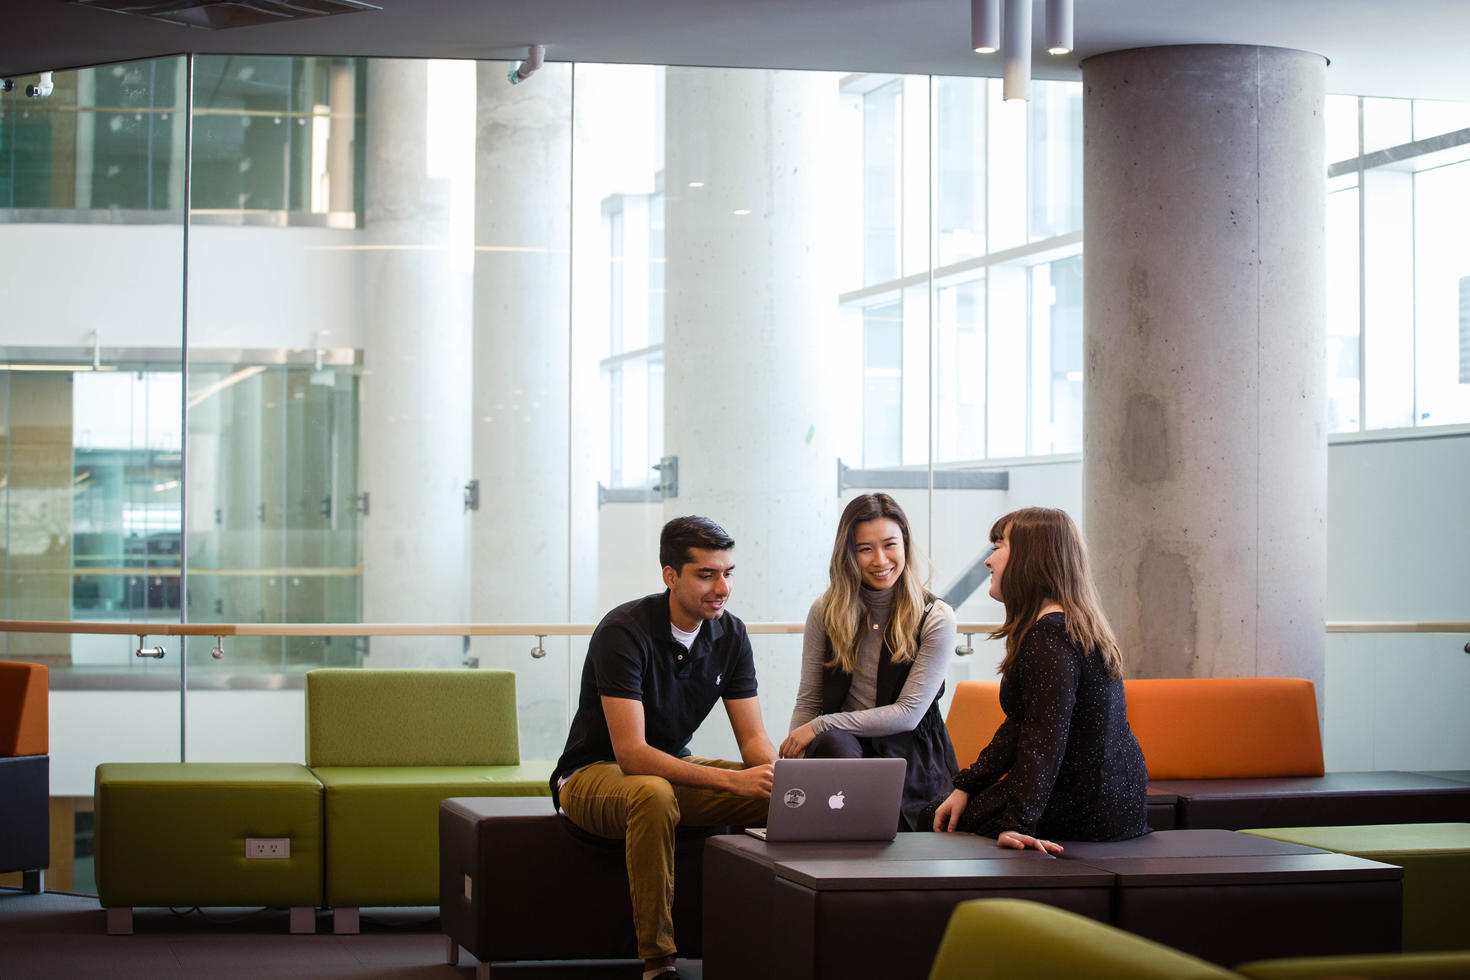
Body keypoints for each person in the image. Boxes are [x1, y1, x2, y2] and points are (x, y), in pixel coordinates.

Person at [551, 516, 777, 980]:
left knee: (782, 798)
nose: (722, 587)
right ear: (670, 575)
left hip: (668, 771)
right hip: (593, 774)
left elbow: (753, 740)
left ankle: (773, 943)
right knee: (653, 794)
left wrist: (785, 782)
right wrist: (734, 780)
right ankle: (659, 960)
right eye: (706, 574)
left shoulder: (730, 635)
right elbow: (631, 754)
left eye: (728, 573)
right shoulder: (624, 631)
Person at [921, 506, 1149, 853]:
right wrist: (966, 785)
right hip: (1116, 802)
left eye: (998, 546)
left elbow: (1043, 737)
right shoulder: (1073, 625)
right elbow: (1021, 726)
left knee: (930, 818)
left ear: (1031, 557)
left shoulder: (1049, 636)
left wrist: (1017, 824)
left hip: (1084, 807)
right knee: (947, 807)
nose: (989, 560)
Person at [781, 493, 959, 830]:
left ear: (905, 544)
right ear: (848, 554)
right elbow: (809, 701)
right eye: (865, 549)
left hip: (911, 753)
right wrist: (795, 774)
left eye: (890, 544)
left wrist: (821, 725)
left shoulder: (935, 616)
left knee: (833, 740)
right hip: (843, 750)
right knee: (834, 748)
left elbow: (907, 714)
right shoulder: (826, 611)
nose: (880, 560)